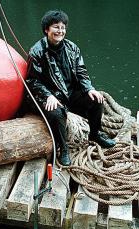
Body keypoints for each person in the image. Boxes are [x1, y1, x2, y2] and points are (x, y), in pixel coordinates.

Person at [25, 10, 116, 166]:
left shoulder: (72, 48)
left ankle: (95, 134)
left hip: (68, 93)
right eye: (56, 27)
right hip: (47, 95)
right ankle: (63, 148)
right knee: (57, 113)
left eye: (63, 27)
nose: (60, 31)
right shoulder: (37, 51)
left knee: (97, 100)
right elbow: (32, 81)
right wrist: (48, 95)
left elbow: (81, 71)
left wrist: (89, 88)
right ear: (47, 29)